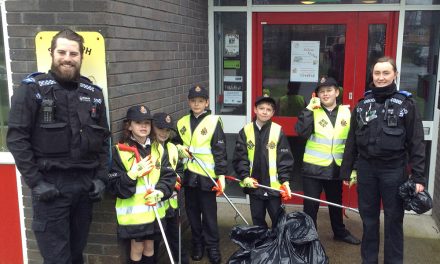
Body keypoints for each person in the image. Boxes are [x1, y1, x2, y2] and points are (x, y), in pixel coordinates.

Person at [6, 29, 109, 263]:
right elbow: (16, 139)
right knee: (57, 258)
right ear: (52, 53)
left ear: (81, 56)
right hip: (51, 187)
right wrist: (36, 182)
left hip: (85, 187)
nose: (67, 58)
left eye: (73, 53)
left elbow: (103, 140)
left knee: (76, 253)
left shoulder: (93, 94)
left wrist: (101, 178)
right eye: (62, 52)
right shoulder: (32, 90)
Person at [340, 57, 426, 263]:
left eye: (386, 73)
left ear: (395, 74)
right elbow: (352, 140)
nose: (380, 77)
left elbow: (417, 142)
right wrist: (346, 171)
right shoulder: (363, 105)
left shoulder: (407, 104)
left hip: (394, 171)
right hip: (367, 170)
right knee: (368, 221)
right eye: (377, 73)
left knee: (393, 221)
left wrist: (419, 178)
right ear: (372, 75)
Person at [296, 77, 361, 245]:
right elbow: (302, 133)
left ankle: (339, 232)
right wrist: (308, 110)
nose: (325, 94)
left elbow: (354, 143)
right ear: (317, 94)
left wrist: (353, 169)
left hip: (336, 168)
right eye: (322, 91)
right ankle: (309, 236)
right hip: (313, 168)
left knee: (335, 203)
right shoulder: (312, 110)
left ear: (337, 92)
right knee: (311, 206)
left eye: (329, 90)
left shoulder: (348, 112)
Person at [107, 105, 175, 264]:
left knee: (150, 247)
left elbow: (168, 176)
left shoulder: (158, 149)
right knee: (137, 249)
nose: (143, 126)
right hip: (134, 217)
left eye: (147, 122)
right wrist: (131, 174)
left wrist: (160, 192)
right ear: (129, 126)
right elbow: (113, 186)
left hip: (155, 212)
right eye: (138, 122)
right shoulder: (121, 151)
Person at [173, 85, 227, 264]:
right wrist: (177, 147)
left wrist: (221, 176)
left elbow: (220, 151)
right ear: (189, 102)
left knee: (209, 215)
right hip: (189, 178)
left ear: (207, 102)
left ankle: (212, 247)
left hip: (207, 177)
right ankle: (197, 244)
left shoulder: (213, 121)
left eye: (201, 101)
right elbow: (174, 146)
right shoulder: (181, 122)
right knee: (193, 213)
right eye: (194, 101)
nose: (197, 104)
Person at [233, 94, 294, 228]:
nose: (265, 111)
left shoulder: (277, 131)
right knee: (258, 221)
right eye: (261, 108)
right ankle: (262, 246)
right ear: (255, 109)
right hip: (255, 186)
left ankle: (278, 247)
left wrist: (285, 181)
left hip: (273, 187)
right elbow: (240, 158)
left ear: (273, 113)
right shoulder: (245, 131)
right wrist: (245, 177)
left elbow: (284, 159)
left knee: (278, 221)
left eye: (268, 109)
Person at [152, 112, 189, 264]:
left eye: (167, 130)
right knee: (153, 242)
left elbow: (180, 170)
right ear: (152, 127)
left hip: (172, 205)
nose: (164, 133)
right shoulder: (149, 149)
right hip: (155, 206)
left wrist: (176, 184)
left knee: (176, 239)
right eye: (160, 128)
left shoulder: (173, 148)